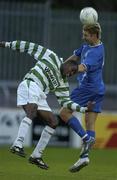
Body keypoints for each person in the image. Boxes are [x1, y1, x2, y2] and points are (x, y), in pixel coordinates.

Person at [0, 40, 94, 170]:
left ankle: (36, 156)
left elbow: (66, 102)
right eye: (71, 70)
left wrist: (83, 109)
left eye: (73, 74)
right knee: (32, 112)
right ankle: (18, 144)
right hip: (30, 84)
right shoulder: (51, 57)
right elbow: (29, 47)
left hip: (40, 95)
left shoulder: (63, 83)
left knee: (53, 121)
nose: (70, 74)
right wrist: (7, 44)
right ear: (67, 63)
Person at [60, 22, 105, 172]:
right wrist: (61, 65)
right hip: (98, 89)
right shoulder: (88, 46)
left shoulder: (96, 52)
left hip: (87, 89)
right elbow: (75, 56)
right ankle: (84, 157)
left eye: (85, 35)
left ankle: (86, 139)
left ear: (93, 35)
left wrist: (69, 70)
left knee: (64, 113)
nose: (83, 37)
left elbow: (82, 67)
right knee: (89, 123)